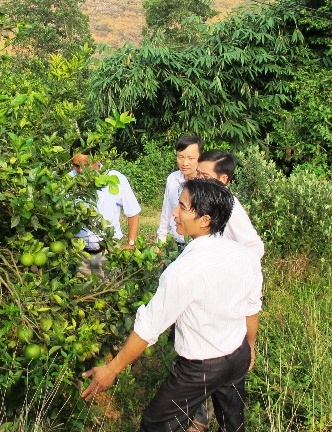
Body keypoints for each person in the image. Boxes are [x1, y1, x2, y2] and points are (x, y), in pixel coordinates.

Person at [82, 178, 263, 432]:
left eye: (182, 207)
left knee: (155, 424)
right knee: (233, 424)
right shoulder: (245, 256)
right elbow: (251, 309)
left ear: (205, 219)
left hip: (200, 367)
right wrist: (250, 347)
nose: (174, 213)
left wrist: (112, 369)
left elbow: (149, 328)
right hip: (237, 355)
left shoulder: (184, 271)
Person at [187, 150, 265, 431]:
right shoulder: (204, 201)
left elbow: (255, 248)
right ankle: (200, 419)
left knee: (219, 366)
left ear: (223, 179)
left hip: (224, 302)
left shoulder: (229, 207)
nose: (199, 179)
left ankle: (211, 420)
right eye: (198, 174)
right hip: (207, 300)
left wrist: (230, 273)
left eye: (204, 176)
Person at [70, 147, 141, 277]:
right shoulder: (68, 180)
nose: (80, 170)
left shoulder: (114, 178)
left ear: (98, 160)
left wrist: (131, 243)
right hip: (79, 254)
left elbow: (133, 211)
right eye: (76, 165)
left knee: (110, 292)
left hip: (109, 251)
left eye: (84, 166)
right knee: (80, 293)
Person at [157, 135, 203, 251]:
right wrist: (160, 243)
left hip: (197, 245)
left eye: (191, 158)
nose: (185, 163)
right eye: (180, 157)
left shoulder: (206, 183)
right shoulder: (172, 179)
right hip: (175, 242)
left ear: (200, 158)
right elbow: (166, 213)